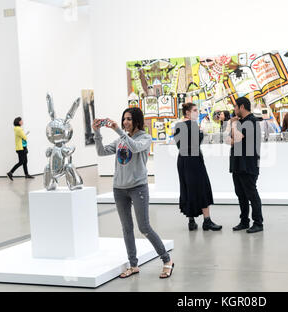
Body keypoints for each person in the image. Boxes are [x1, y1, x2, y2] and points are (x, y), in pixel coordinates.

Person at [93, 107, 174, 278]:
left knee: (144, 227)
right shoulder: (121, 139)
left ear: (136, 120)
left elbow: (136, 148)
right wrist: (97, 132)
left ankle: (167, 260)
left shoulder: (145, 138)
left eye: (129, 119)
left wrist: (118, 130)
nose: (125, 122)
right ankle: (133, 264)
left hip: (138, 188)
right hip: (119, 189)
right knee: (127, 228)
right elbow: (101, 152)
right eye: (124, 119)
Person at [173, 103, 222, 231]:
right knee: (202, 187)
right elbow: (196, 142)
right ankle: (207, 221)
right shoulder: (193, 125)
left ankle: (191, 221)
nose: (197, 113)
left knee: (187, 188)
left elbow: (179, 145)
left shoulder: (178, 125)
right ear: (187, 112)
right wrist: (200, 132)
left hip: (183, 160)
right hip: (194, 160)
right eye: (195, 110)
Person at [227, 97, 263, 233]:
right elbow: (228, 140)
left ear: (242, 107)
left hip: (248, 164)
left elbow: (236, 138)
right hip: (237, 163)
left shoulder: (252, 121)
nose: (234, 110)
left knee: (251, 194)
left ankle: (258, 222)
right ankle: (244, 221)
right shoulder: (240, 122)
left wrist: (233, 125)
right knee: (240, 194)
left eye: (235, 107)